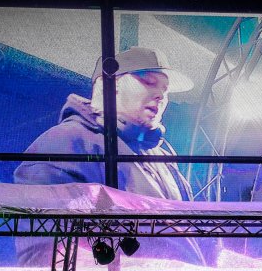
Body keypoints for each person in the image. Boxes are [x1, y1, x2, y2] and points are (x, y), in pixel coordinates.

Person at [13, 45, 194, 201]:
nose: (161, 96)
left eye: (165, 90)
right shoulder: (65, 141)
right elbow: (43, 226)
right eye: (149, 82)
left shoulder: (164, 159)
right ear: (108, 86)